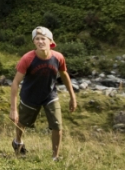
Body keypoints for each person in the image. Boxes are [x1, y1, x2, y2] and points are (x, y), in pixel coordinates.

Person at [10, 26, 78, 160]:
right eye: (37, 39)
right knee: (22, 122)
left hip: (50, 96)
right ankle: (18, 141)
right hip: (30, 96)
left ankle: (55, 156)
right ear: (34, 42)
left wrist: (72, 97)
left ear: (50, 41)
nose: (40, 42)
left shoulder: (58, 57)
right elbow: (15, 83)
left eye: (43, 39)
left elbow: (64, 76)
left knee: (57, 125)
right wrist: (13, 109)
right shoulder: (27, 58)